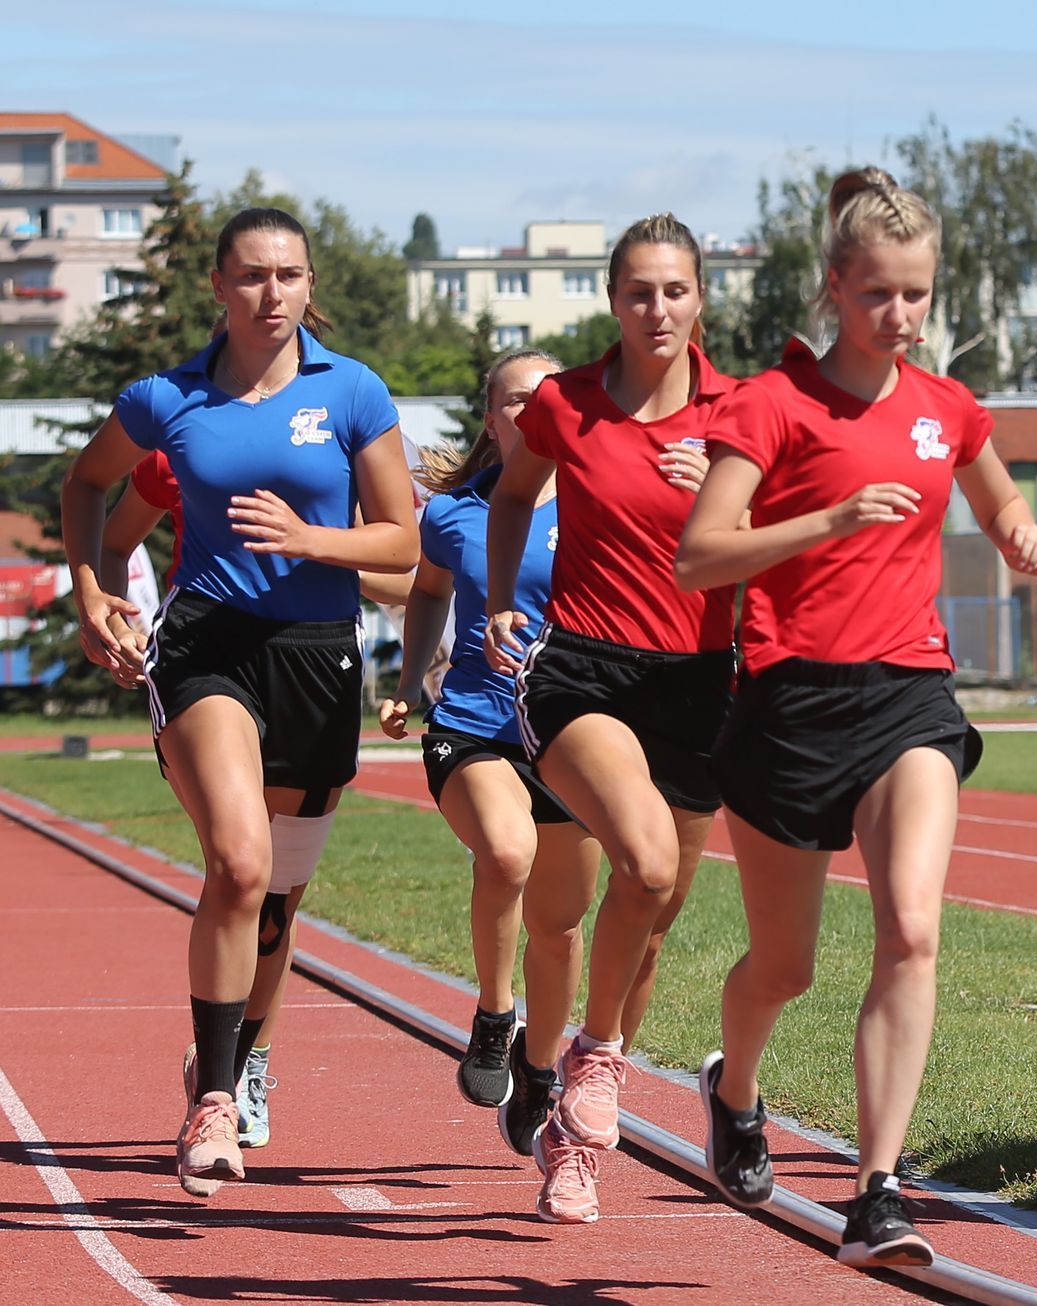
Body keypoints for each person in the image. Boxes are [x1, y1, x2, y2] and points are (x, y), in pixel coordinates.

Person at [675, 166, 1037, 1270]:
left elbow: (1001, 498)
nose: (901, 315)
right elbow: (703, 554)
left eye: (919, 295)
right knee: (783, 966)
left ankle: (878, 1189)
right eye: (881, 293)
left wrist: (1023, 533)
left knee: (913, 929)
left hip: (909, 695)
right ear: (836, 287)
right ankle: (733, 1090)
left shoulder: (948, 410)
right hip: (789, 700)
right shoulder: (770, 404)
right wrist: (828, 517)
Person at [61, 206, 417, 1197]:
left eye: (289, 274)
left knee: (278, 901)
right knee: (239, 858)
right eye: (253, 275)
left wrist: (314, 543)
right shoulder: (165, 399)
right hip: (208, 646)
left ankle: (244, 1050)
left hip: (315, 654)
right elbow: (87, 489)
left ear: (311, 285)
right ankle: (211, 1102)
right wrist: (93, 592)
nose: (272, 294)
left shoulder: (352, 392)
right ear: (219, 287)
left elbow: (401, 545)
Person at [484, 215, 728, 1224]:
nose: (657, 309)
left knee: (653, 919)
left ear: (700, 298)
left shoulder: (743, 412)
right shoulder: (566, 403)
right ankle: (593, 1063)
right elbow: (511, 499)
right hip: (583, 670)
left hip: (703, 678)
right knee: (649, 861)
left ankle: (573, 1131)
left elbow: (792, 540)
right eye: (639, 291)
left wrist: (727, 491)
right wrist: (503, 595)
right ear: (612, 298)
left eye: (675, 291)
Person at [377, 348, 606, 1117]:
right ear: (490, 416)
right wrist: (411, 681)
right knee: (507, 852)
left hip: (574, 730)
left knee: (561, 924)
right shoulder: (452, 511)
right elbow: (427, 593)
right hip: (474, 722)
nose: (528, 412)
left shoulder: (596, 501)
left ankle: (539, 1068)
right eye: (513, 401)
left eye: (544, 399)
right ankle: (493, 1014)